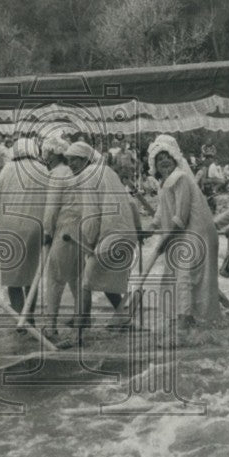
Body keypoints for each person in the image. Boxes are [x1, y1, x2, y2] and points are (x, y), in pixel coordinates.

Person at [147, 135, 221, 329]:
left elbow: (181, 216)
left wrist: (165, 241)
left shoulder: (180, 178)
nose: (163, 161)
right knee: (178, 276)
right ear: (153, 162)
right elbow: (162, 210)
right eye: (159, 157)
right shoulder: (165, 182)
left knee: (185, 277)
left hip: (196, 232)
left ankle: (184, 322)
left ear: (175, 159)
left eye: (167, 156)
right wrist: (151, 227)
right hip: (184, 233)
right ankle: (182, 318)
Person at [69, 140, 142, 336]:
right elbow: (131, 203)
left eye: (75, 160)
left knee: (86, 283)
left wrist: (89, 240)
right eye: (69, 161)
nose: (71, 165)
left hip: (111, 236)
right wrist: (137, 229)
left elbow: (91, 214)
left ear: (85, 160)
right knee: (108, 281)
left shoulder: (87, 175)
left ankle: (80, 331)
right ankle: (124, 319)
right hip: (127, 237)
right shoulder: (108, 171)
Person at [0, 137, 48, 314]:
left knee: (12, 276)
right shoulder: (43, 169)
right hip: (36, 226)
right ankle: (29, 317)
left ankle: (19, 317)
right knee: (32, 275)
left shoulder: (8, 168)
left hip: (10, 227)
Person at [40, 135, 85, 342]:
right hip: (79, 229)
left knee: (56, 278)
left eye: (46, 152)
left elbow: (51, 207)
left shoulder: (57, 174)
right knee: (76, 277)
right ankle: (82, 317)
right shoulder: (74, 173)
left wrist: (47, 231)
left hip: (64, 229)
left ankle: (50, 327)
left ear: (52, 154)